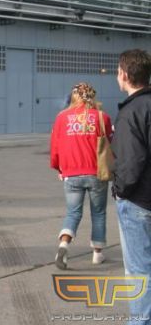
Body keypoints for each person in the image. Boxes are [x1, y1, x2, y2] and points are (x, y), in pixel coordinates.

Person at [50, 82, 111, 270]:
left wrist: (59, 169)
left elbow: (55, 147)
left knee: (73, 212)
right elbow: (111, 143)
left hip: (71, 173)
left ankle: (63, 245)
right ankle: (97, 253)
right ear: (92, 96)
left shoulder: (62, 118)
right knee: (98, 213)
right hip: (97, 172)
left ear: (74, 96)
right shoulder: (102, 117)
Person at [112, 49, 151, 324]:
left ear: (124, 75)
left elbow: (130, 162)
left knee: (139, 272)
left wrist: (120, 190)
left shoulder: (131, 112)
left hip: (139, 202)